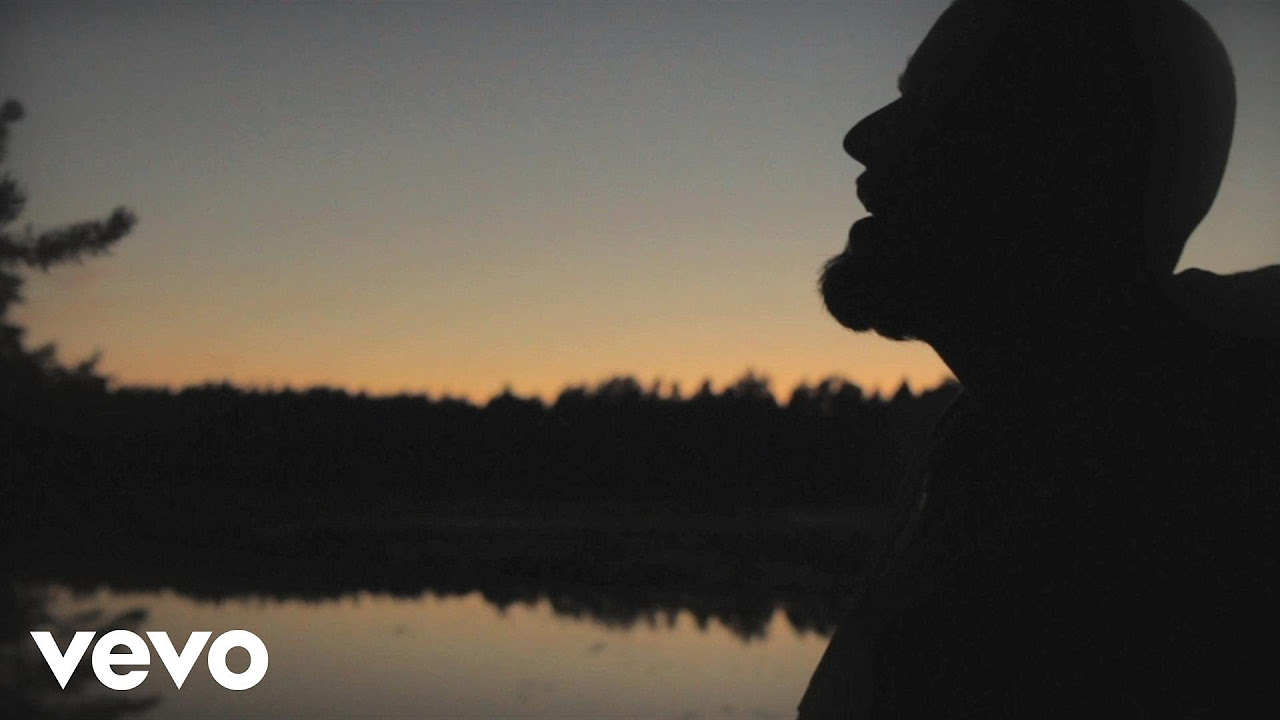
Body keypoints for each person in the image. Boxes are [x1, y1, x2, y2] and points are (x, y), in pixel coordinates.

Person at [801, 0, 1279, 716]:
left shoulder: (1148, 529)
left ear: (1070, 161)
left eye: (932, 101)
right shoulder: (1019, 441)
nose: (863, 137)